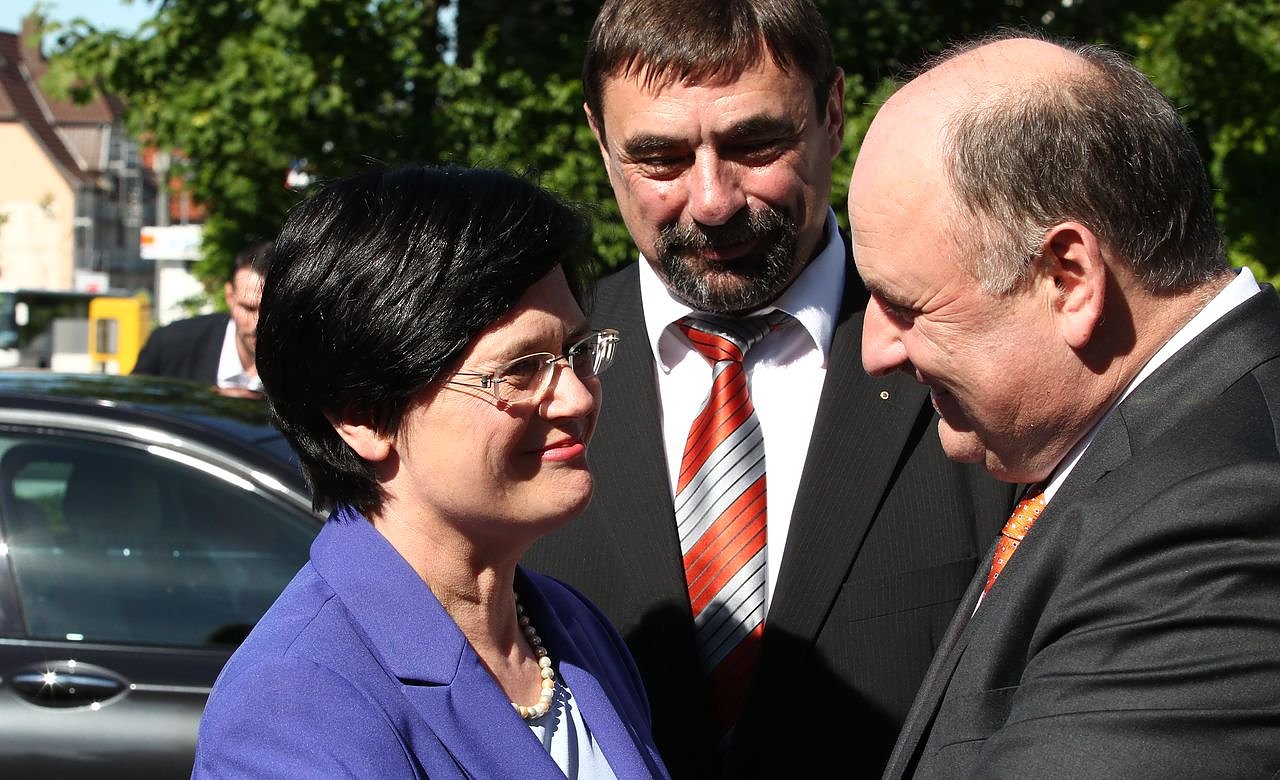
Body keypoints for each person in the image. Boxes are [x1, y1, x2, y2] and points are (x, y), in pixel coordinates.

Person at [523, 1, 1016, 776]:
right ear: (600, 139)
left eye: (754, 144)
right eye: (660, 158)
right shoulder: (515, 392)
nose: (712, 200)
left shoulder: (983, 360)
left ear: (833, 113)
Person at [848, 32, 1280, 778]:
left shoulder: (1225, 514)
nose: (876, 351)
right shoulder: (1133, 446)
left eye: (906, 305)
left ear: (1068, 278)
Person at [192, 166, 670, 779]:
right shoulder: (294, 707)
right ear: (364, 416)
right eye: (521, 369)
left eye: (576, 353)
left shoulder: (572, 627)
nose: (576, 397)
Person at [132, 240, 270, 397]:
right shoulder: (169, 347)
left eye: (269, 312)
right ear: (230, 296)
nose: (257, 323)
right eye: (249, 308)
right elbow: (131, 404)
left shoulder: (295, 367)